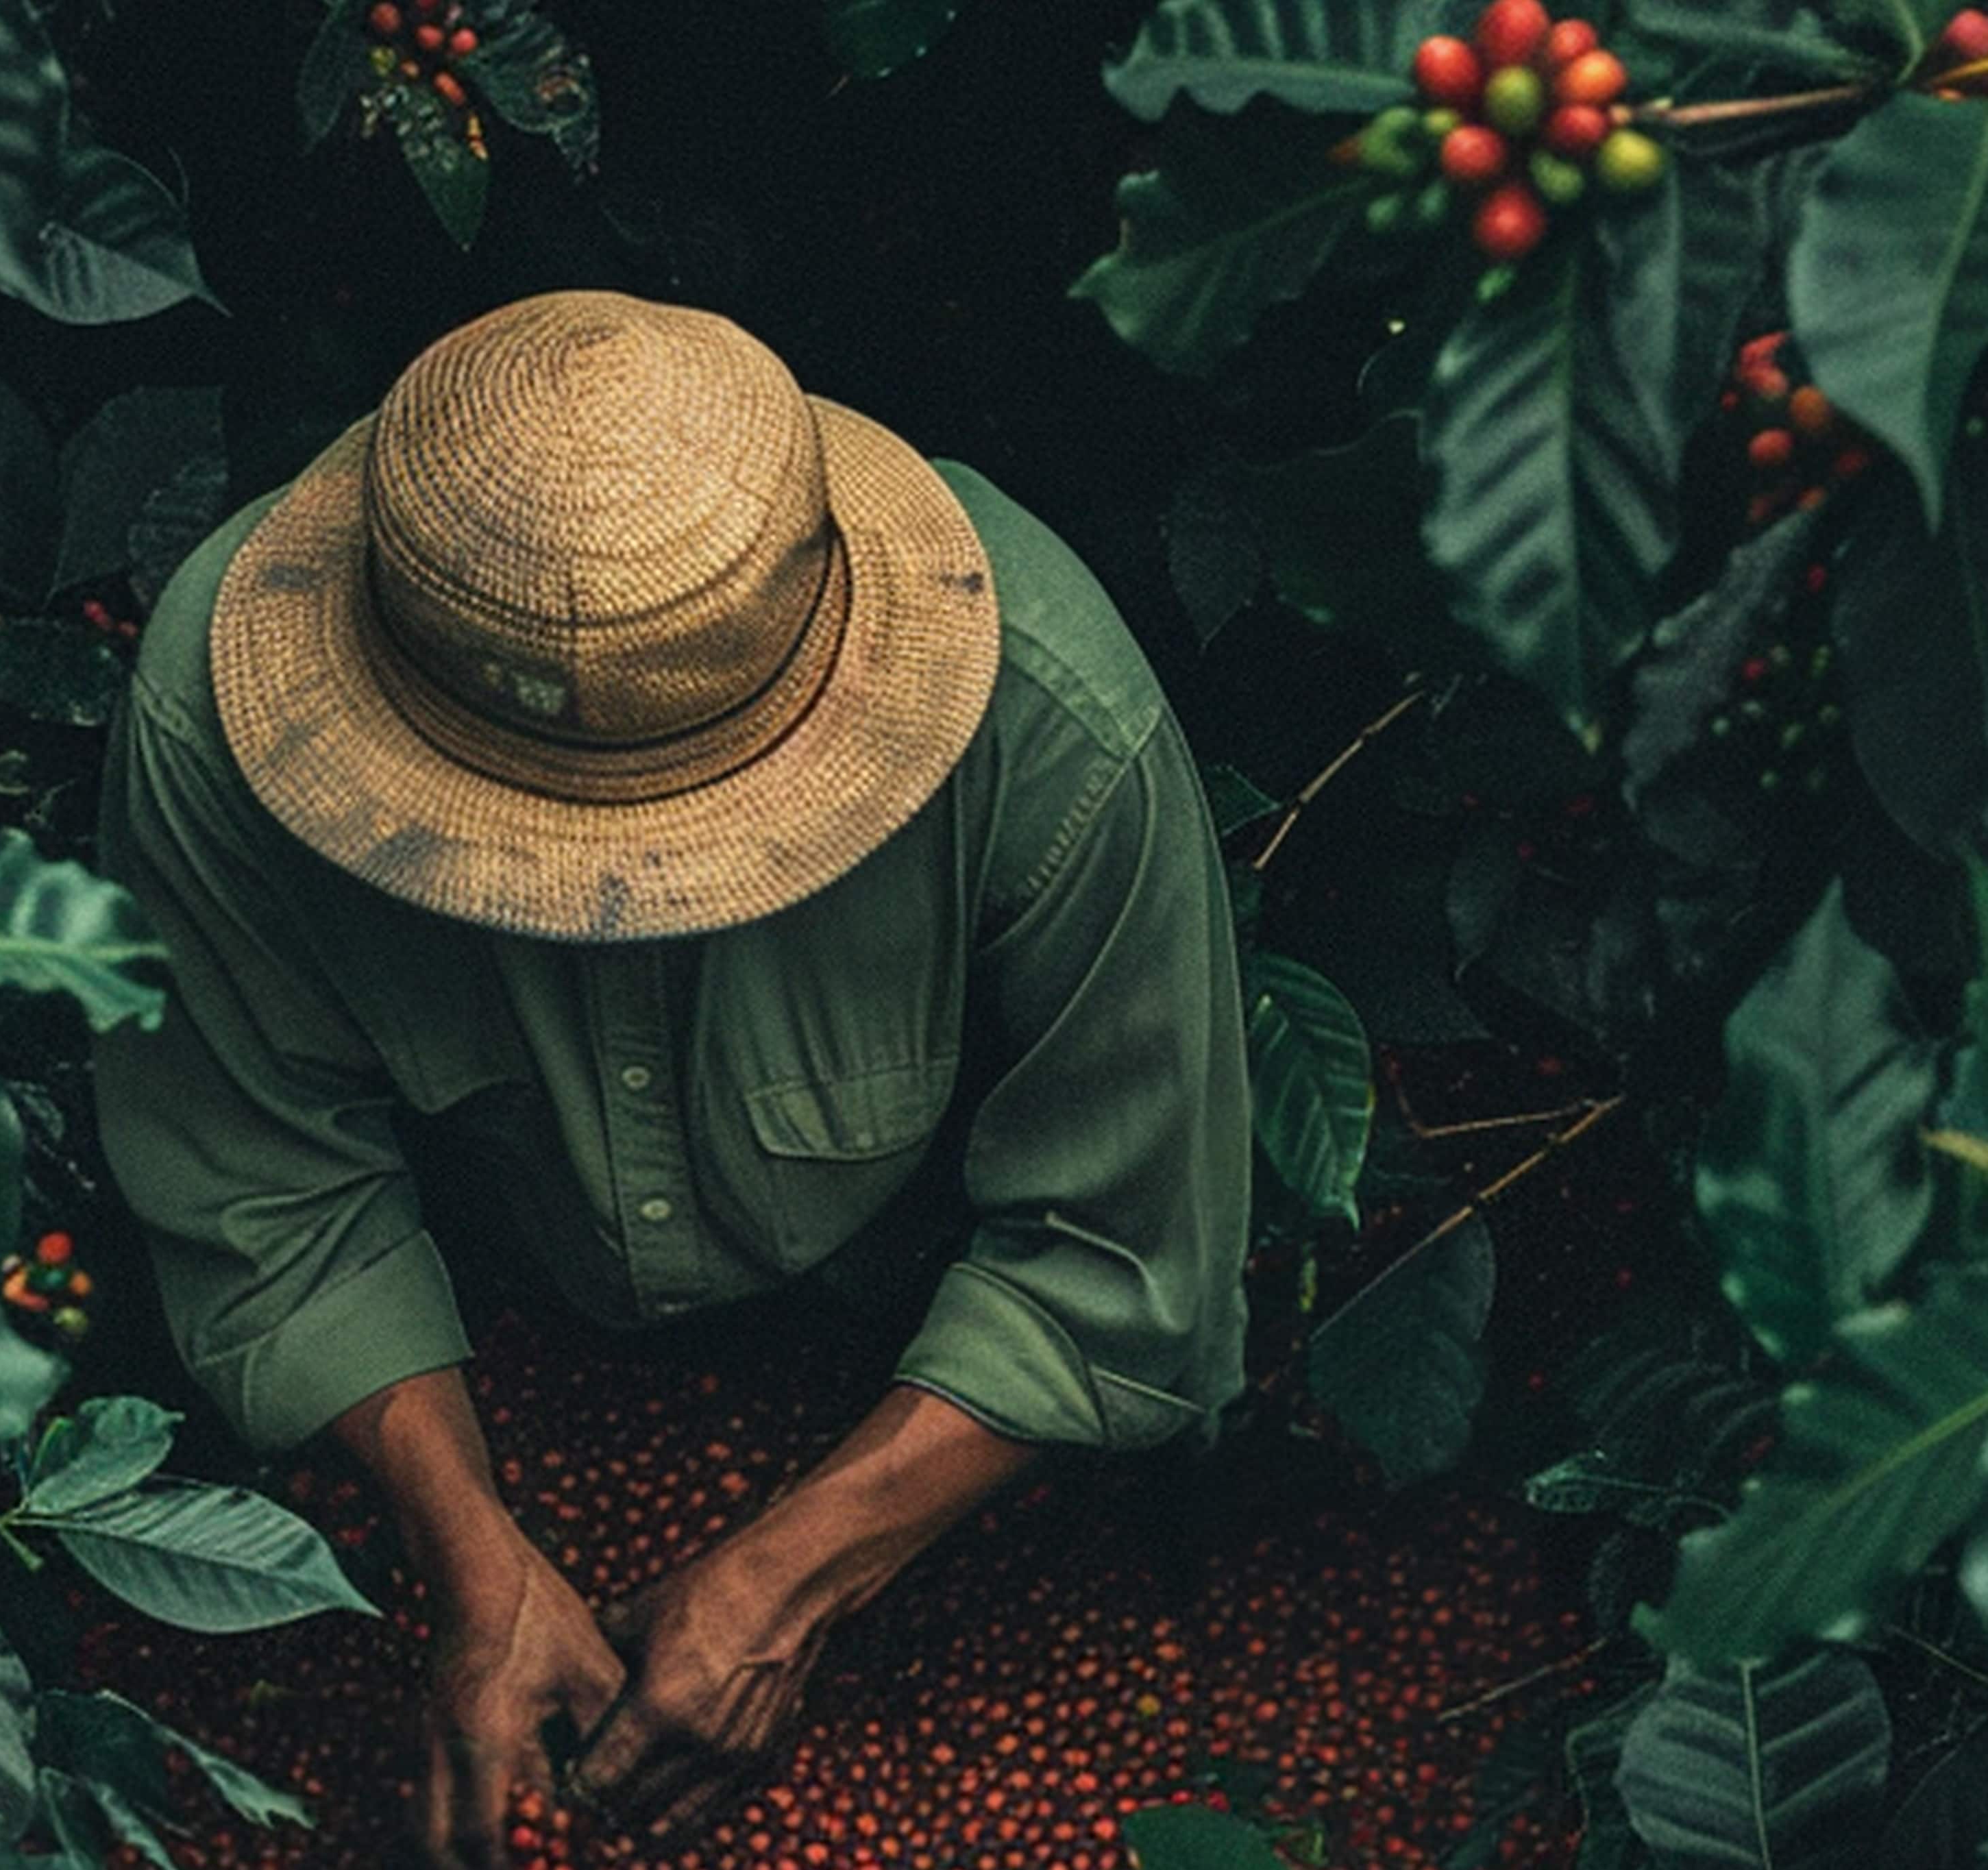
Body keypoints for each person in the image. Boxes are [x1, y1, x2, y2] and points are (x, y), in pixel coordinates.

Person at [93, 290, 1250, 1867]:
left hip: (899, 1337)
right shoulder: (210, 722)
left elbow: (1126, 1255)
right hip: (501, 1323)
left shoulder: (1051, 721)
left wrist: (795, 1577)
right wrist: (470, 1554)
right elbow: (268, 1191)